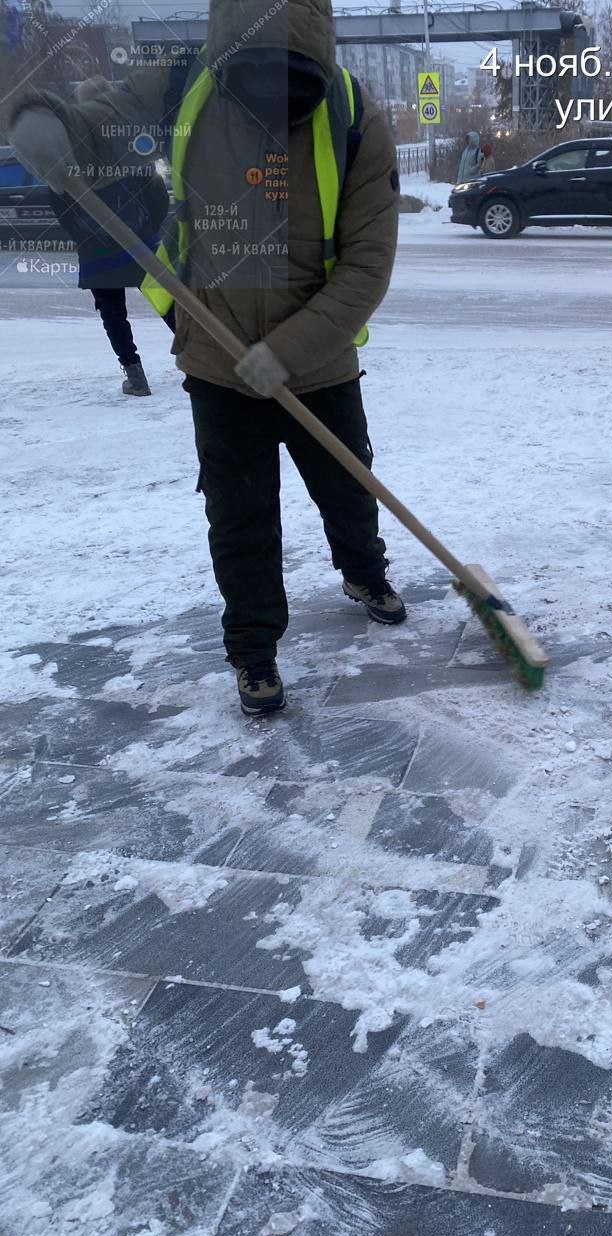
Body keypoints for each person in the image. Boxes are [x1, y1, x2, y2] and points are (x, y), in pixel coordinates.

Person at [9, 0, 405, 716]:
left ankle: (364, 574)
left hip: (318, 360)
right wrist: (49, 125)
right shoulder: (180, 82)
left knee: (348, 486)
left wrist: (285, 352)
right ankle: (253, 652)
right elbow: (96, 116)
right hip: (216, 356)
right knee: (240, 517)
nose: (270, 105)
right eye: (253, 83)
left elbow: (368, 266)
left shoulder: (353, 113)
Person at [46, 76, 170, 397]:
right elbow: (157, 193)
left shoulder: (69, 150)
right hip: (139, 241)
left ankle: (135, 376)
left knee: (113, 314)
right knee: (170, 300)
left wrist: (82, 236)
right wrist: (148, 229)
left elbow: (59, 202)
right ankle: (198, 357)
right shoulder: (129, 141)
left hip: (96, 250)